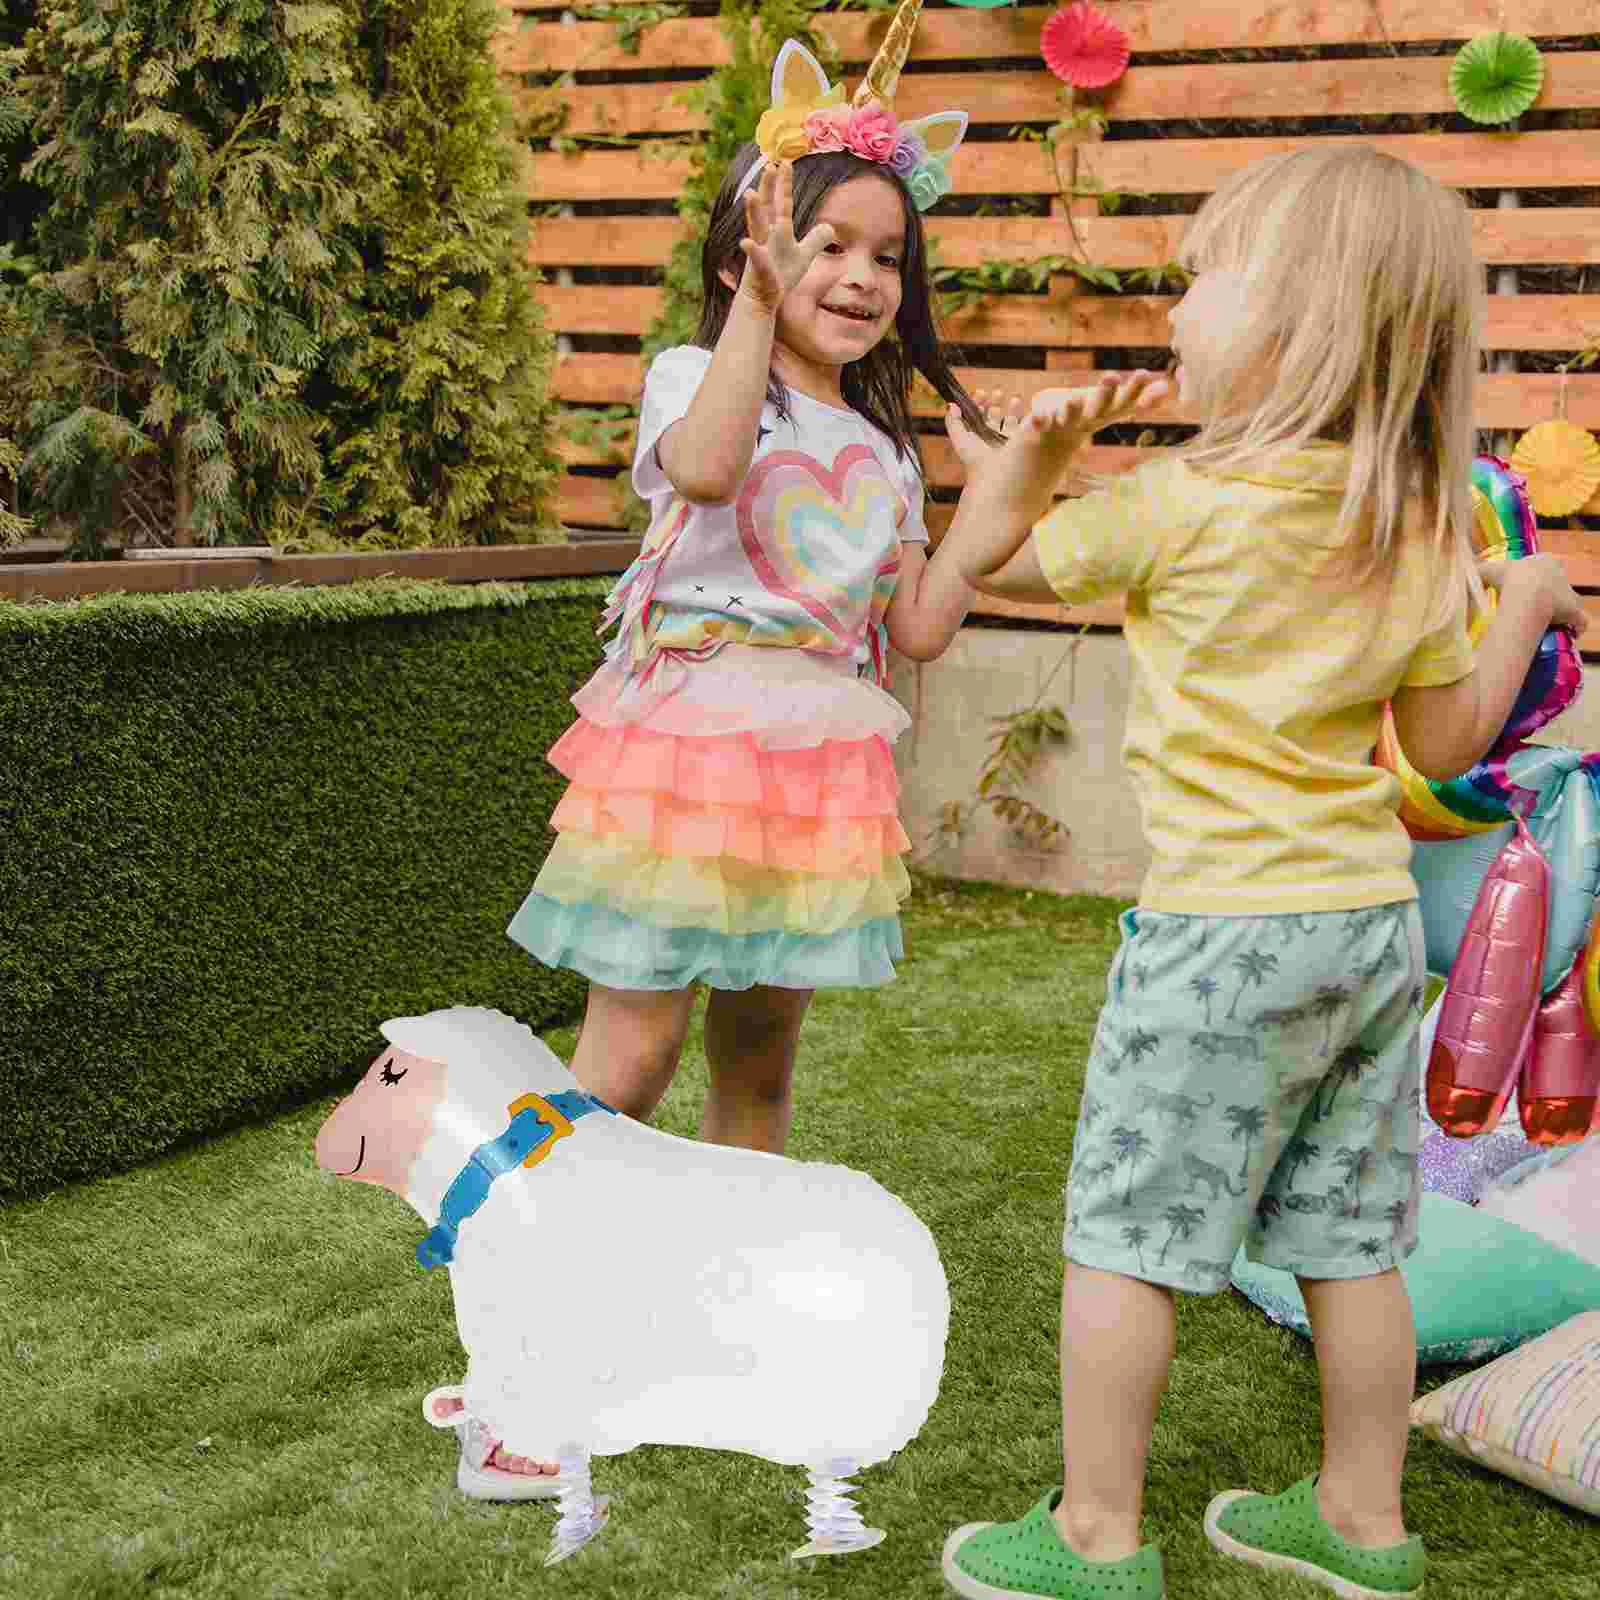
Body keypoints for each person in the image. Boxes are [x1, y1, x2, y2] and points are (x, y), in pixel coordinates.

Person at [469, 2, 1170, 1496]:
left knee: (760, 1065)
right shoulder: (693, 377)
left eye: (885, 255)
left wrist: (1009, 495)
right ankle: (529, 1341)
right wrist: (749, 303)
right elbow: (709, 467)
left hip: (814, 774)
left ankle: (711, 1325)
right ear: (749, 256)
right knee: (628, 1056)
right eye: (824, 245)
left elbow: (916, 625)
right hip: (683, 749)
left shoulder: (884, 449)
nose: (858, 276)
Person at [934, 145, 1588, 1600]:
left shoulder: (1179, 502)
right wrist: (1526, 599)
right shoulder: (1413, 523)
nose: (1175, 310)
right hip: (1364, 934)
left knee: (1126, 1238)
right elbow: (1441, 744)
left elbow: (982, 567)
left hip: (1217, 937)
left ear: (1299, 321)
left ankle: (1095, 1541)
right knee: (1352, 1242)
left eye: (1203, 278)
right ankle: (1361, 1520)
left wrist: (1023, 470)